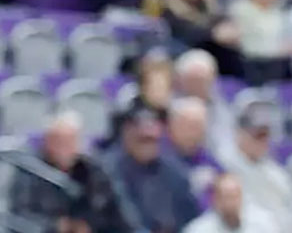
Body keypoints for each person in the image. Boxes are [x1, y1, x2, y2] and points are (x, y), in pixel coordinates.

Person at [8, 113, 131, 233]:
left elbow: (115, 215)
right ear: (46, 142)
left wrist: (88, 224)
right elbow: (21, 217)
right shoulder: (31, 171)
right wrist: (57, 226)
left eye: (69, 140)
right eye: (57, 140)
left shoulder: (94, 171)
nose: (63, 147)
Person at [216, 105, 292, 233]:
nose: (263, 141)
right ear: (241, 134)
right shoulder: (224, 166)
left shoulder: (275, 172)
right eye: (258, 135)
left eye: (266, 135)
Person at [108, 105, 202, 233]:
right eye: (143, 139)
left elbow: (192, 217)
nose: (148, 145)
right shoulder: (111, 171)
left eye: (152, 139)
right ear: (127, 134)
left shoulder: (174, 172)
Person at [227, 0, 292, 85]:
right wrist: (279, 50)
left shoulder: (282, 11)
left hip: (279, 70)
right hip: (251, 70)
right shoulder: (240, 9)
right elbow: (249, 48)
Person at [184, 172, 267, 233]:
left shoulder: (262, 223)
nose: (231, 203)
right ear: (215, 200)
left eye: (234, 196)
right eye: (226, 197)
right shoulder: (198, 229)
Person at [167, 98, 220, 192]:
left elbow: (224, 179)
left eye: (201, 127)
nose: (196, 133)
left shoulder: (206, 157)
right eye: (191, 126)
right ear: (173, 125)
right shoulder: (160, 154)